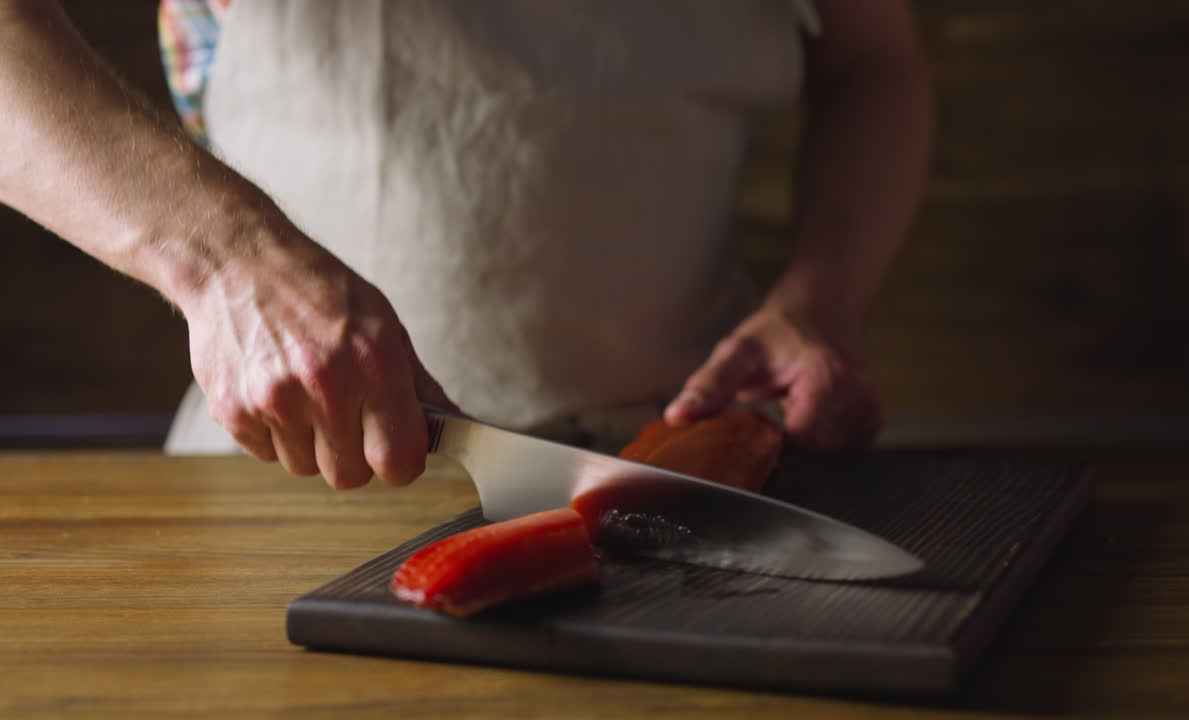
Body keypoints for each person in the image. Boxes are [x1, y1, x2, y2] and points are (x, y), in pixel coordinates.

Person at [0, 0, 932, 489]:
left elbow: (873, 64)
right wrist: (225, 263)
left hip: (694, 464)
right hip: (281, 481)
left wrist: (824, 297)